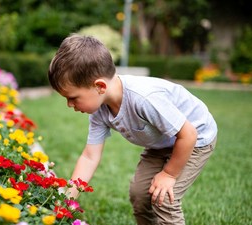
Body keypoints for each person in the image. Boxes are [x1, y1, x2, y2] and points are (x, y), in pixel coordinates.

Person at [47, 33, 218, 225]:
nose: (70, 104)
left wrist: (169, 174)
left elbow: (188, 135)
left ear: (100, 87)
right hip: (163, 141)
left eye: (73, 97)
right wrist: (67, 201)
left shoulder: (144, 99)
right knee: (140, 194)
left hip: (195, 138)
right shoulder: (99, 111)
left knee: (164, 197)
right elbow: (89, 156)